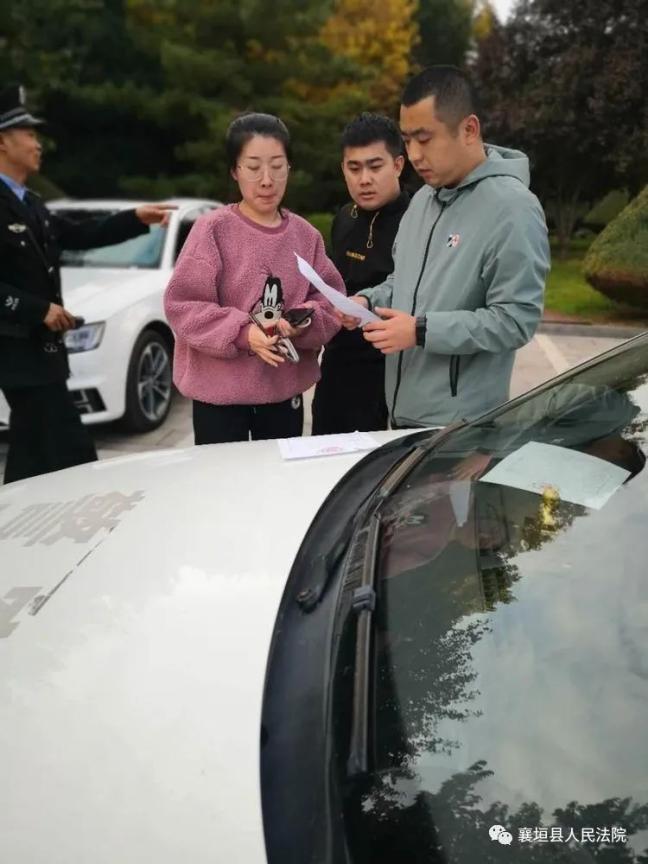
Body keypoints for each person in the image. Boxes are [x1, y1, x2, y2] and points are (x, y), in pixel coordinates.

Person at [339, 65, 551, 428]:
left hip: (461, 431)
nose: (414, 154)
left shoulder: (514, 208)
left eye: (424, 139)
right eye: (407, 140)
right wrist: (368, 301)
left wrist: (421, 331)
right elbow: (405, 282)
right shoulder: (423, 200)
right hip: (401, 416)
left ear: (469, 130)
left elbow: (516, 320)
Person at [0, 84, 174, 484]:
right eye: (29, 134)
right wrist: (38, 310)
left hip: (42, 356)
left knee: (35, 449)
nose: (38, 144)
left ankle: (22, 514)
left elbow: (80, 234)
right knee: (69, 447)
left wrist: (134, 219)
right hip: (16, 355)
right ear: (3, 142)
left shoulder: (30, 203)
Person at [164, 112, 344, 444]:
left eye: (277, 166)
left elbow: (330, 302)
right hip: (219, 398)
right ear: (234, 171)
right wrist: (244, 332)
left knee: (277, 475)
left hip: (282, 395)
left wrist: (300, 322)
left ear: (289, 168)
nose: (266, 180)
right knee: (222, 475)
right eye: (253, 167)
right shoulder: (213, 229)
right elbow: (183, 305)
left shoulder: (305, 236)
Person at [311, 113, 409, 435]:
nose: (364, 179)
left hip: (392, 370)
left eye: (375, 167)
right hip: (337, 364)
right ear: (343, 169)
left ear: (398, 165)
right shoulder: (344, 217)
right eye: (354, 168)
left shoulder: (418, 221)